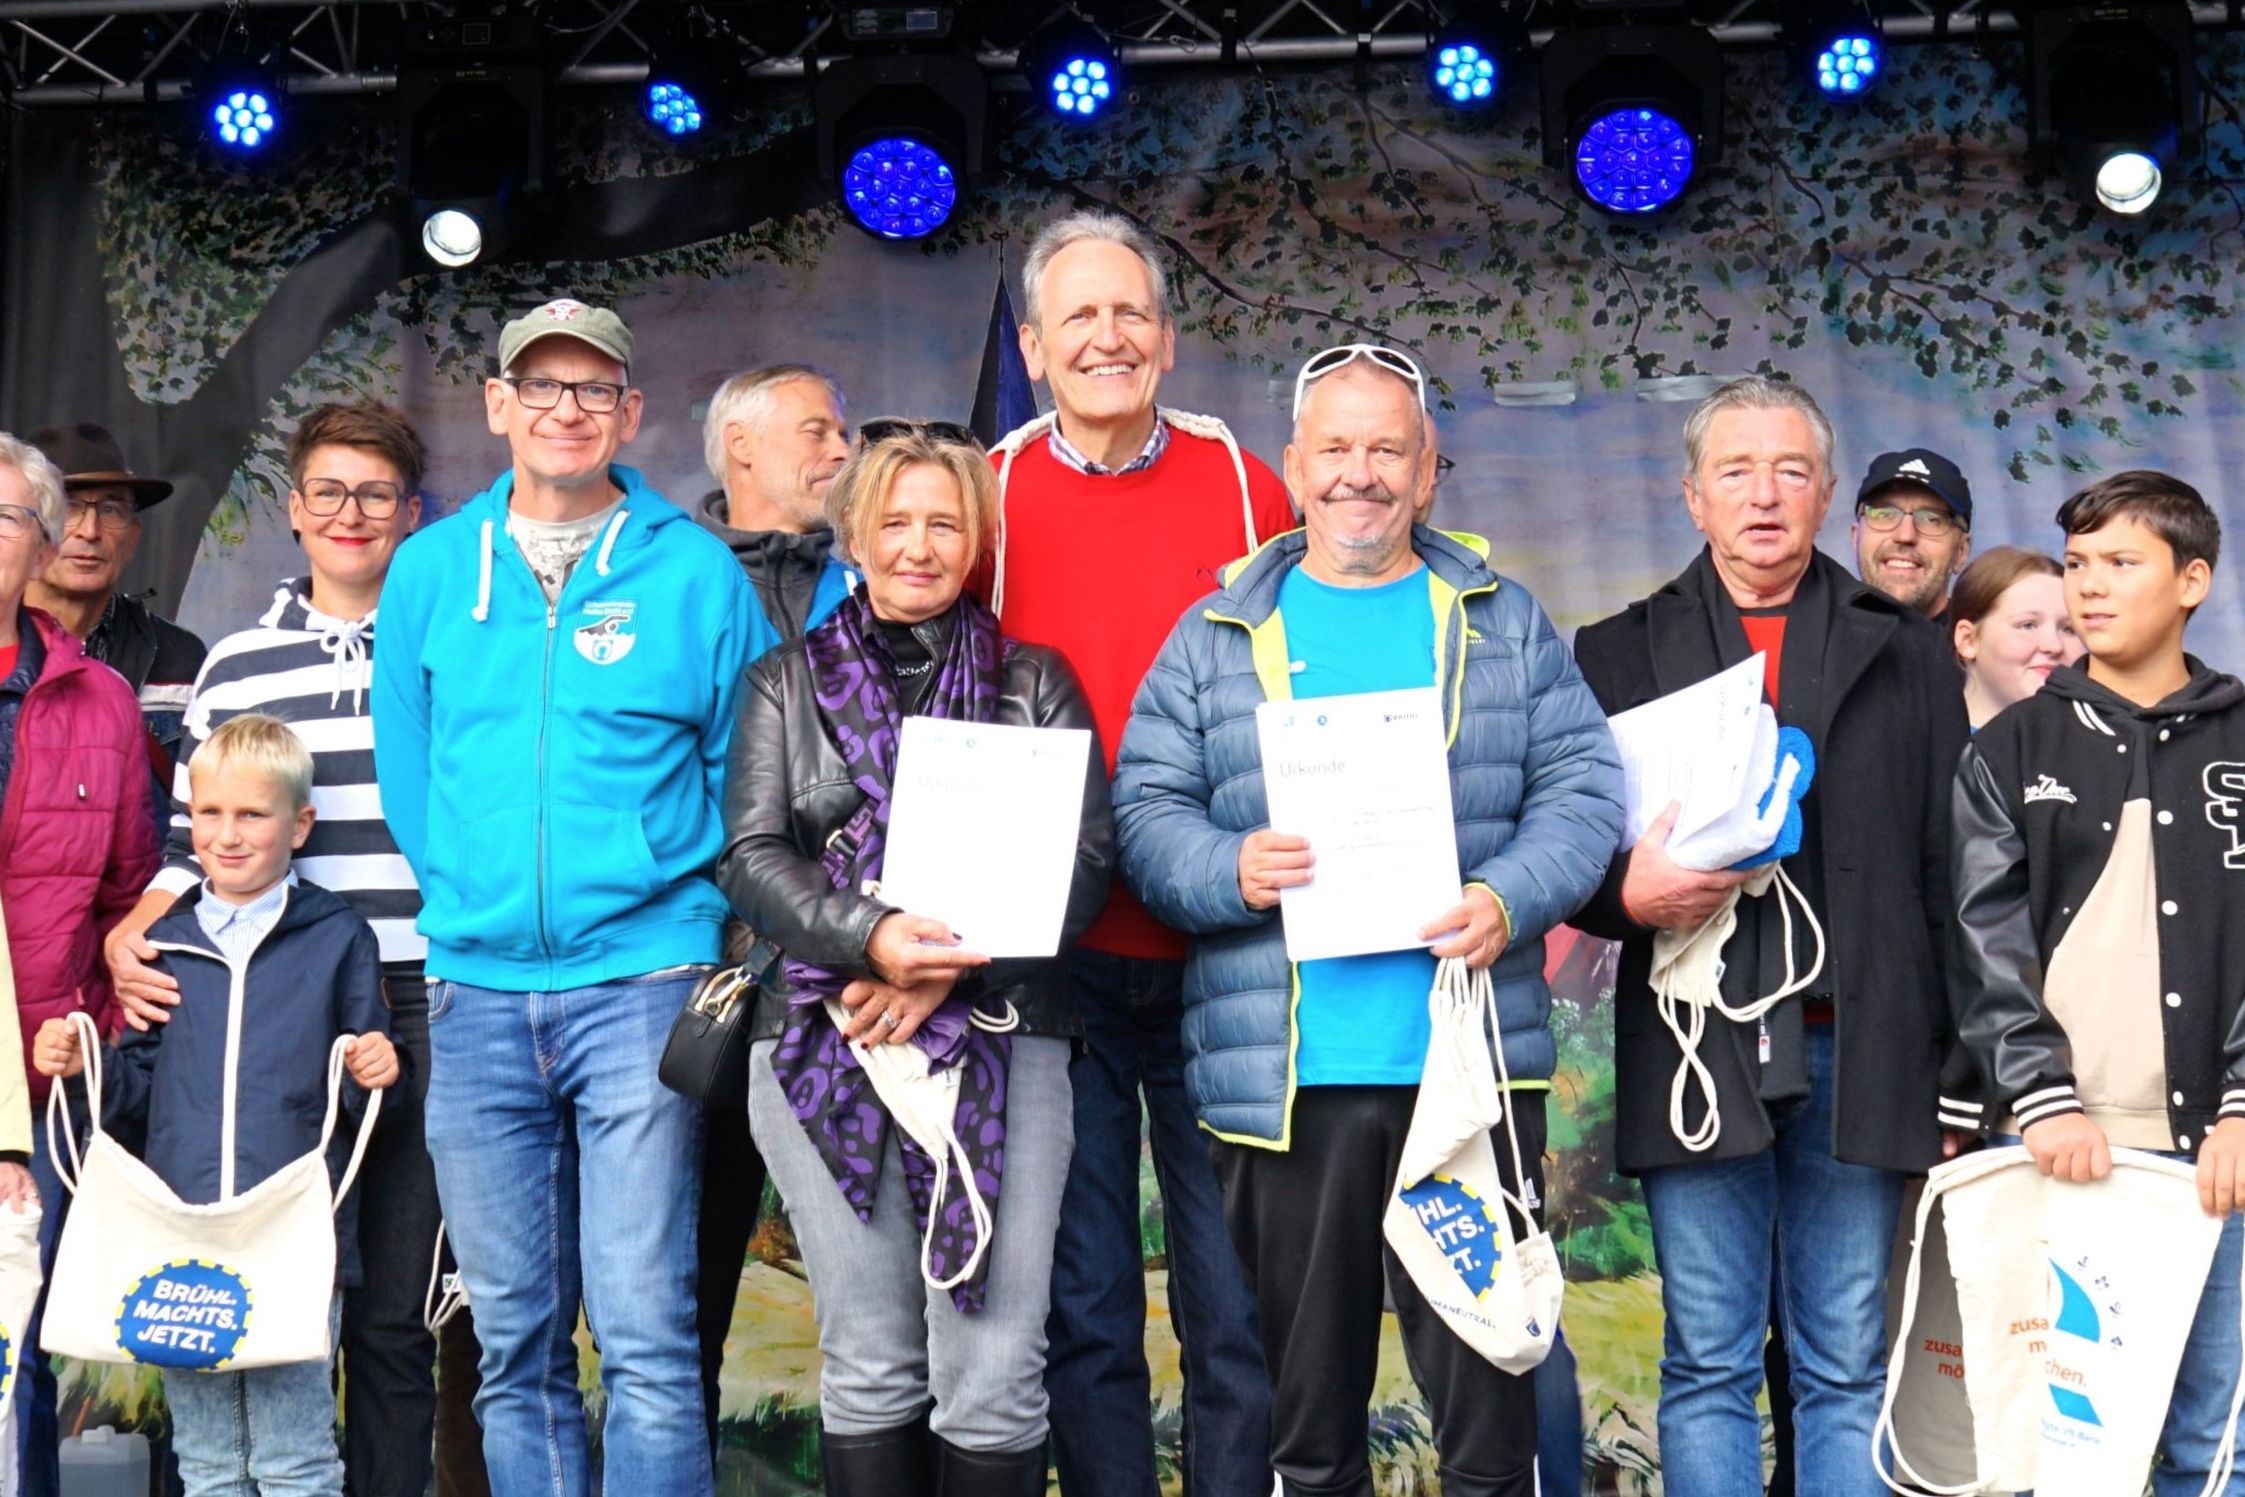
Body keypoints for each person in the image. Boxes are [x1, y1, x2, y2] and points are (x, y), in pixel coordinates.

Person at [1114, 345, 1624, 1497]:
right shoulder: (1214, 634)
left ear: (1429, 471)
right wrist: (1227, 865)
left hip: (1467, 1077)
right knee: (1309, 1426)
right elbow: (1143, 813)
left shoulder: (1500, 620)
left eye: (1386, 449)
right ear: (1291, 467)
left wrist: (1507, 899)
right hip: (1287, 1085)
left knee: (1489, 1414)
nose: (1360, 474)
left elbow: (1584, 789)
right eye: (1334, 449)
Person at [372, 297, 757, 1497]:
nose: (566, 410)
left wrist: (671, 910)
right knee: (512, 1343)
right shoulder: (433, 570)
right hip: (477, 994)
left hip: (643, 984)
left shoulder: (695, 572)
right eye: (541, 386)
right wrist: (474, 898)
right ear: (497, 406)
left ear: (632, 414)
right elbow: (409, 764)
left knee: (645, 1335)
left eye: (594, 389)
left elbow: (741, 770)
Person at [1568, 378, 1969, 1497]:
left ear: (1825, 496)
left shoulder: (1908, 652)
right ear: (1692, 498)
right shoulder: (1616, 651)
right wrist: (1624, 896)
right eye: (1736, 472)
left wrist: (1955, 1066)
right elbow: (1575, 857)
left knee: (1844, 1363)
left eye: (1789, 471)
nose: (1763, 495)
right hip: (1696, 1043)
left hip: (1863, 1046)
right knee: (1706, 1360)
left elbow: (1956, 877)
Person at [101, 401, 488, 1497]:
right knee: (240, 1292)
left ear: (411, 514)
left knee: (390, 1309)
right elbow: (193, 838)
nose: (350, 514)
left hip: (422, 996)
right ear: (295, 508)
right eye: (328, 490)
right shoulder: (239, 662)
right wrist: (137, 930)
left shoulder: (454, 653)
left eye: (375, 494)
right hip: (269, 1002)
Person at [718, 421, 1112, 1496]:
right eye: (894, 521)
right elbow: (751, 858)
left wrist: (950, 964)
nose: (919, 545)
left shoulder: (1035, 680)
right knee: (870, 1363)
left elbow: (1083, 863)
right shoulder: (779, 684)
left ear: (977, 537)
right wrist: (874, 941)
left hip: (1004, 1033)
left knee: (991, 1370)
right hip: (820, 1038)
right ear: (853, 533)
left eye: (945, 522)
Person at [990, 209, 1293, 1497]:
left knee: (1236, 1305)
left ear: (1166, 339)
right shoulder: (988, 494)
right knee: (1089, 1303)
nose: (1106, 338)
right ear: (1032, 346)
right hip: (1053, 961)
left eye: (1129, 314)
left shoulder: (1244, 486)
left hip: (1225, 949)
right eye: (1078, 319)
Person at [1949, 470, 2243, 1495]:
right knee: (2053, 1447)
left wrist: (2243, 1110)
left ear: (2192, 579)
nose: (2090, 588)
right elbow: (1982, 941)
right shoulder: (2009, 745)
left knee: (2213, 1444)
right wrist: (2042, 1098)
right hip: (2054, 1147)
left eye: (2122, 562)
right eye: (2076, 565)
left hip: (2215, 1156)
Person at [33, 712, 400, 1496]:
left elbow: (363, 1099)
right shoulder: (165, 939)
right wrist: (79, 1065)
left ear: (299, 825)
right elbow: (134, 1092)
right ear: (188, 818)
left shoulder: (338, 939)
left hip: (294, 1236)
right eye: (209, 813)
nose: (227, 834)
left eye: (252, 814)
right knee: (206, 1458)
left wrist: (374, 1066)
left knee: (293, 1456)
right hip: (182, 1233)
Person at [689, 363, 860, 1461]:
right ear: (740, 446)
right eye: (817, 429)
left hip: (846, 974)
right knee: (683, 1277)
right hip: (693, 974)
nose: (840, 448)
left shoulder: (882, 581)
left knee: (869, 1280)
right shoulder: (658, 578)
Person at [0, 431, 157, 1496]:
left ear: (43, 548)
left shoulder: (97, 699)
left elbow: (125, 899)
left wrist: (88, 1034)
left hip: (37, 1085)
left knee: (19, 1361)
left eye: (6, 516)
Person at [23, 423, 207, 808]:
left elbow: (203, 812)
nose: (89, 531)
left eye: (110, 509)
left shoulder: (182, 658)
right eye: (67, 507)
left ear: (133, 537)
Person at [1950, 545, 2083, 730]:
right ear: (1968, 640)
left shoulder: (2099, 750)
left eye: (2068, 629)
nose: (2054, 645)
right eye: (2027, 625)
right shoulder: (1917, 749)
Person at [1850, 447, 1973, 619]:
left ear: (1961, 552)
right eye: (1884, 514)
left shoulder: (1984, 645)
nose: (1905, 535)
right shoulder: (1813, 637)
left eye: (1931, 519)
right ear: (1856, 538)